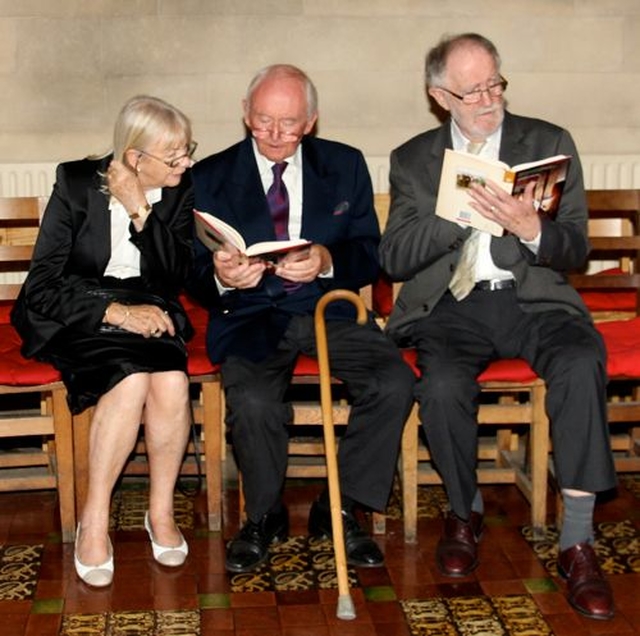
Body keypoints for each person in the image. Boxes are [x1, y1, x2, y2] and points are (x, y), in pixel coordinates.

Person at [378, 33, 617, 621]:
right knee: (439, 387)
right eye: (472, 90)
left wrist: (531, 227)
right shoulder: (414, 159)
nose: (489, 99)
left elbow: (575, 247)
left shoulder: (549, 141)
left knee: (582, 361)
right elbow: (394, 258)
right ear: (440, 96)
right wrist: (458, 213)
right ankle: (464, 511)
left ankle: (578, 542)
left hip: (535, 299)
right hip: (453, 307)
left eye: (495, 83)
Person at [188, 64, 415, 574]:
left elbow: (369, 251)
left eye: (288, 124)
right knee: (251, 400)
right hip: (249, 314)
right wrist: (223, 276)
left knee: (394, 379)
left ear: (311, 121)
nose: (273, 134)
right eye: (263, 120)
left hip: (326, 309)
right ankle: (263, 516)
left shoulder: (345, 165)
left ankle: (339, 508)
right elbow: (189, 267)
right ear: (245, 114)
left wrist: (328, 261)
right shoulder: (209, 176)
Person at [11, 95, 198, 587]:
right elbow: (44, 284)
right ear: (136, 158)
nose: (187, 163)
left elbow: (175, 274)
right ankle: (94, 519)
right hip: (79, 310)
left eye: (187, 151)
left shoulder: (177, 190)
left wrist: (142, 211)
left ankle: (159, 514)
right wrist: (114, 312)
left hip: (149, 306)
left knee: (174, 383)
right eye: (175, 155)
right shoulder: (75, 182)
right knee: (132, 381)